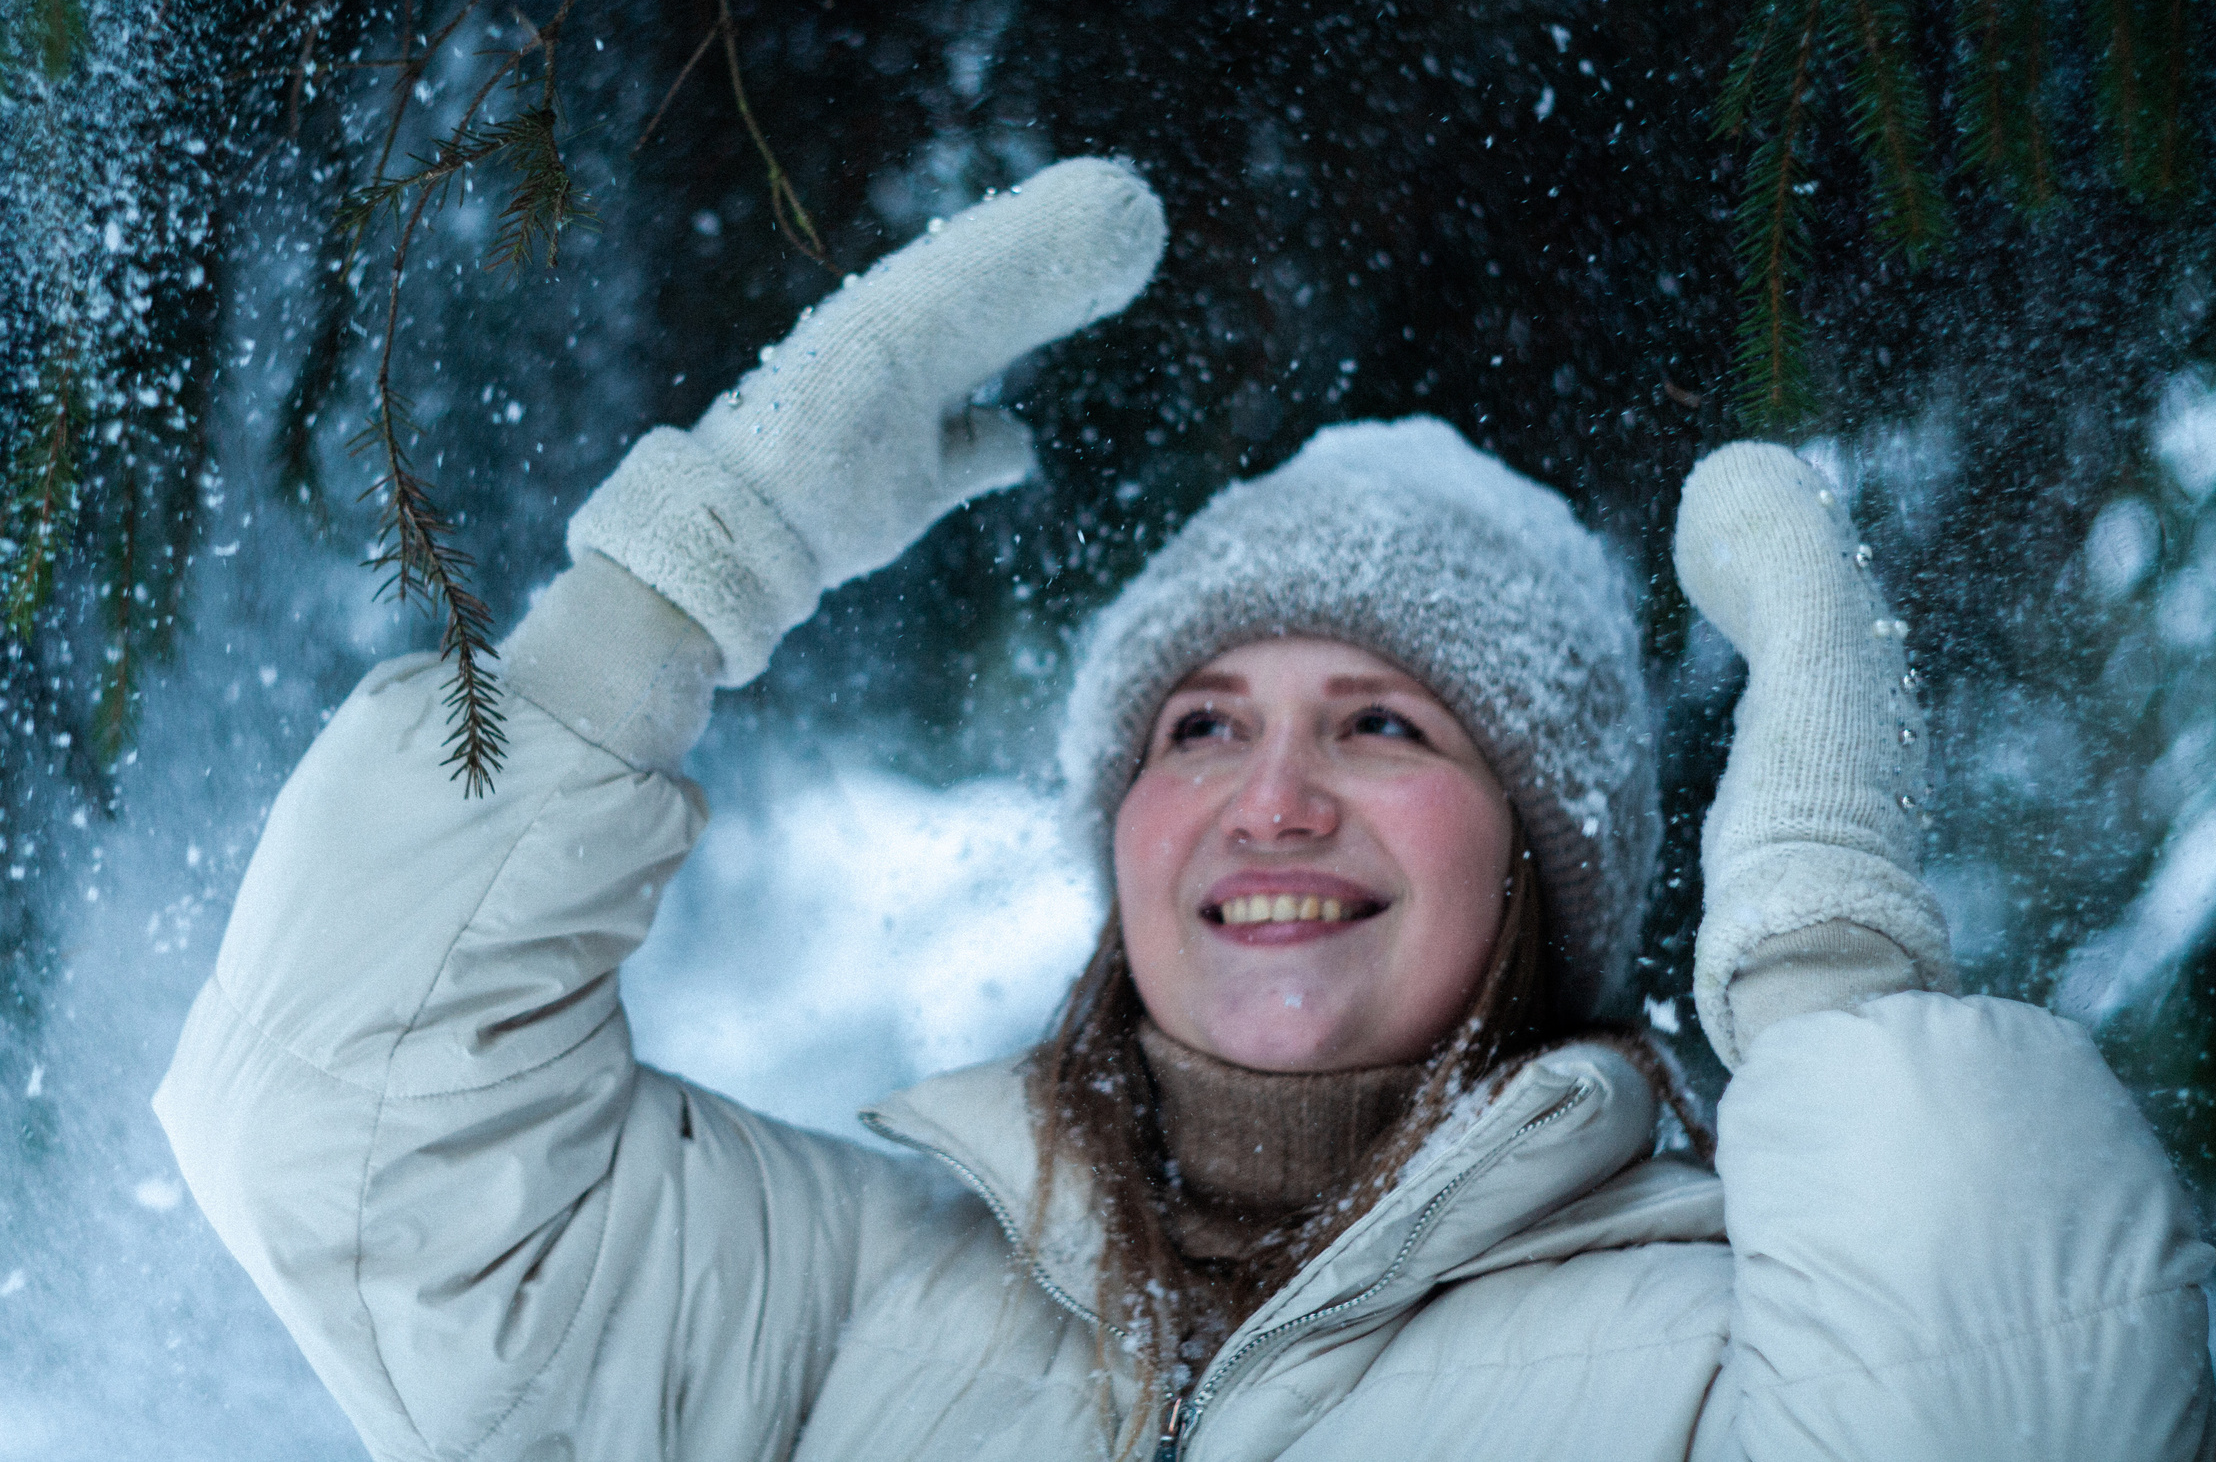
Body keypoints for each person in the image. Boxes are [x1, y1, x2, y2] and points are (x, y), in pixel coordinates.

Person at [155, 158, 2216, 1460]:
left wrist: (1833, 957)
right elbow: (349, 1132)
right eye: (1196, 725)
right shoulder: (836, 1292)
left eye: (1390, 727)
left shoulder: (1708, 1359)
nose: (1272, 797)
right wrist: (688, 567)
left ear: (1545, 862)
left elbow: (2016, 1403)